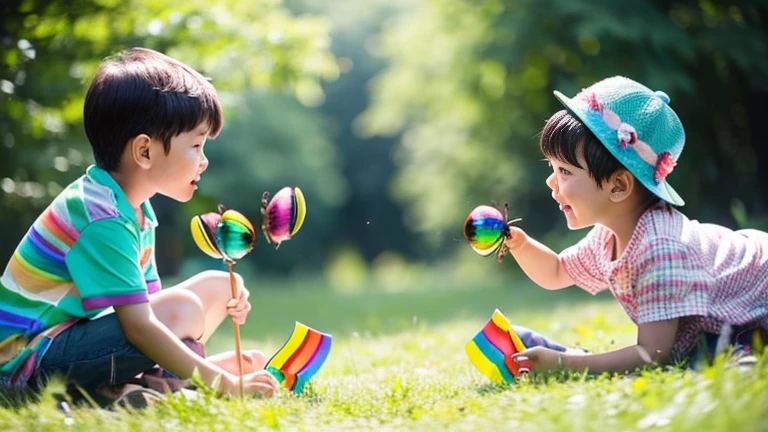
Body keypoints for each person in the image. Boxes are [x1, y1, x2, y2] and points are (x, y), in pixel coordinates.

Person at [0, 47, 277, 406]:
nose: (204, 161)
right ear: (144, 151)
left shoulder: (134, 208)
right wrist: (224, 383)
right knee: (184, 308)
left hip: (70, 344)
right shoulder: (100, 217)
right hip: (27, 366)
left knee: (223, 285)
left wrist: (227, 303)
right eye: (195, 145)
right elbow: (141, 328)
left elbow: (145, 309)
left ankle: (151, 384)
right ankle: (153, 387)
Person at [505, 76, 767, 374]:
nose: (551, 181)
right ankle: (550, 355)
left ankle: (565, 356)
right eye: (551, 168)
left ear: (618, 186)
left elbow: (652, 355)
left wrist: (567, 365)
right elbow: (557, 272)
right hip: (715, 322)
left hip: (755, 309)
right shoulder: (609, 235)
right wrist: (521, 244)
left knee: (722, 361)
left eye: (564, 171)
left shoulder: (661, 249)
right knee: (699, 355)